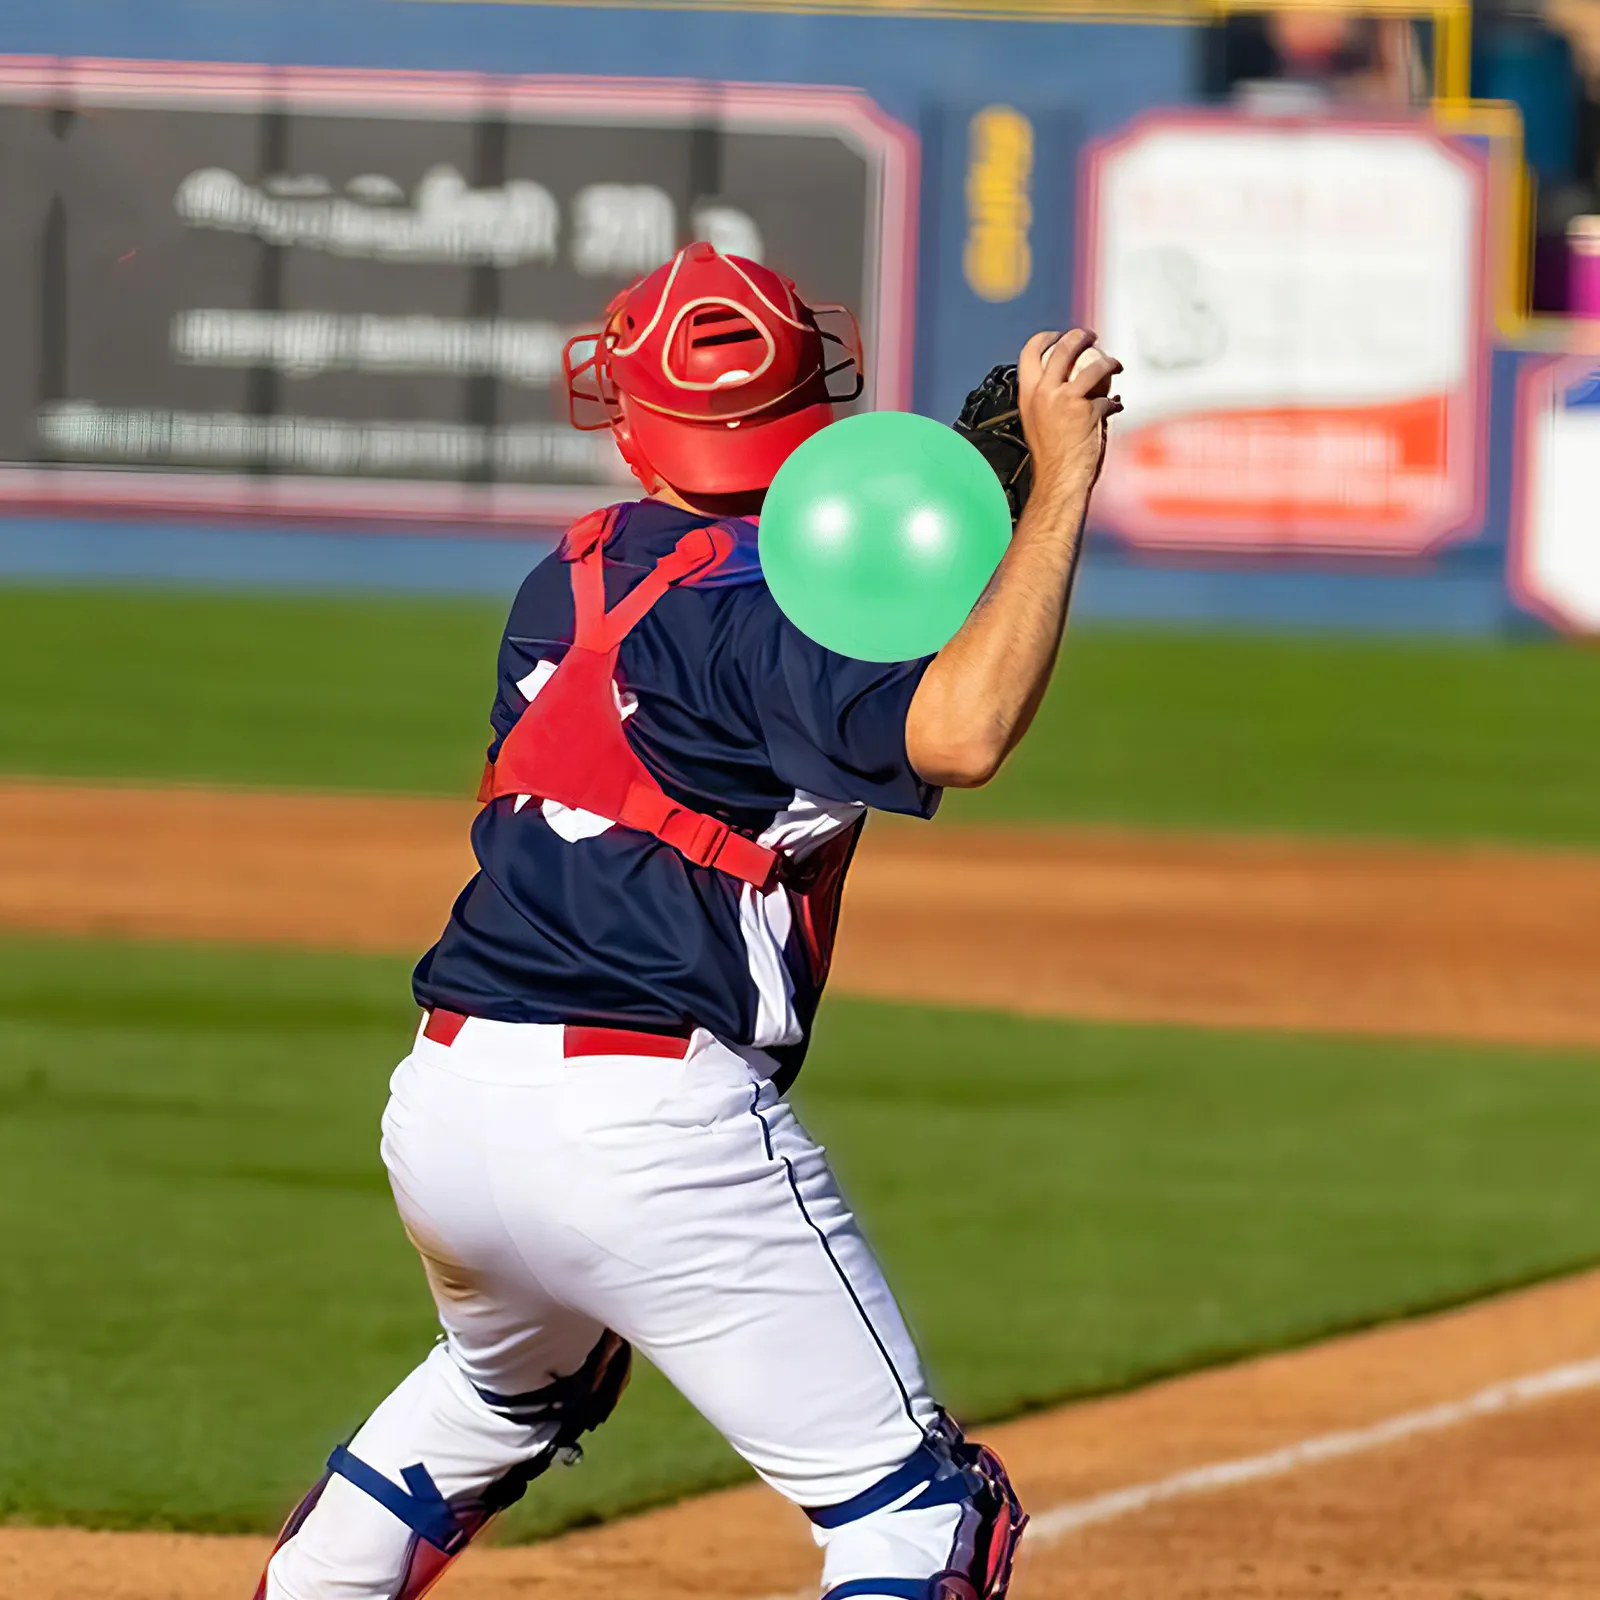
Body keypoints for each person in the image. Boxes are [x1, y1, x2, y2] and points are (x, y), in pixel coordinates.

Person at [254, 240, 1121, 1600]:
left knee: (501, 1397)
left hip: (449, 1102)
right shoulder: (793, 614)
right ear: (816, 400)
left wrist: (962, 513)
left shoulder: (575, 574)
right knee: (921, 1518)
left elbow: (764, 617)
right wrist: (1057, 482)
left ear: (630, 416)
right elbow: (953, 727)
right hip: (653, 1128)